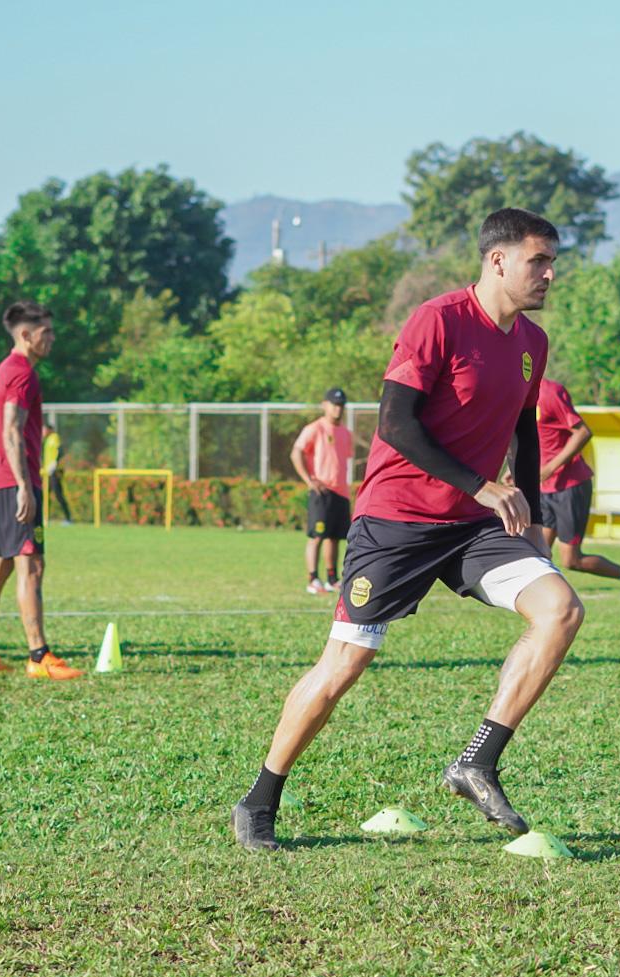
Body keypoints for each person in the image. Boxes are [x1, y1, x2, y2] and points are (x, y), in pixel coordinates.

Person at [231, 208, 584, 851]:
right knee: (346, 662)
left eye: (553, 261)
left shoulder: (532, 343)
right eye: (539, 260)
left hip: (473, 526)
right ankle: (261, 798)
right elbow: (395, 423)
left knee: (560, 609)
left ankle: (477, 761)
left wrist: (529, 516)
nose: (550, 274)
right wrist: (480, 484)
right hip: (396, 519)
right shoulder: (438, 320)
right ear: (498, 260)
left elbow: (525, 432)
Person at [0, 301, 83, 679]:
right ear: (25, 334)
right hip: (15, 480)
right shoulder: (21, 373)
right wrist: (23, 487)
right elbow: (11, 429)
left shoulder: (6, 370)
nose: (52, 338)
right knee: (30, 565)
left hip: (0, 480)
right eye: (46, 332)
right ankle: (38, 656)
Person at [538, 377, 620, 615]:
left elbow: (583, 432)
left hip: (570, 485)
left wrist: (550, 468)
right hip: (544, 489)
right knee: (537, 553)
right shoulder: (515, 390)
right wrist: (514, 471)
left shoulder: (550, 391)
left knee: (572, 560)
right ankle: (549, 610)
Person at [291, 388, 354, 594]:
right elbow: (296, 452)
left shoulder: (345, 432)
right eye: (334, 404)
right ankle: (312, 579)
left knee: (335, 537)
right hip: (322, 492)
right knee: (317, 536)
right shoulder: (315, 428)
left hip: (341, 492)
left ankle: (331, 578)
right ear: (325, 405)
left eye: (341, 405)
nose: (338, 409)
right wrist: (309, 480)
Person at [42, 423, 73, 525]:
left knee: (58, 495)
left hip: (55, 471)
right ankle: (45, 517)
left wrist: (55, 463)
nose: (43, 432)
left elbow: (60, 451)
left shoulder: (54, 438)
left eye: (44, 429)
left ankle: (68, 518)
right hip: (48, 472)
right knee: (45, 495)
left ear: (49, 430)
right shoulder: (47, 440)